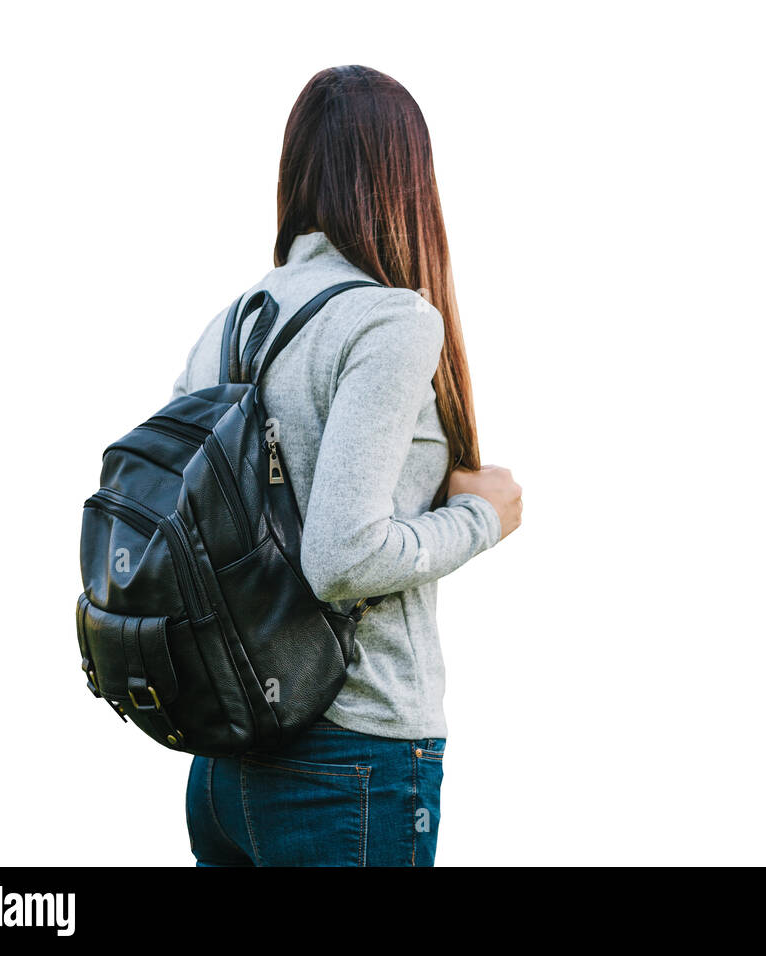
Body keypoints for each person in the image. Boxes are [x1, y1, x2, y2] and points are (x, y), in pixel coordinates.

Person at [174, 65, 522, 866]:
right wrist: (483, 516)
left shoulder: (229, 325)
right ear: (407, 179)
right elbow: (342, 555)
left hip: (226, 766)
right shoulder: (391, 320)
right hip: (349, 765)